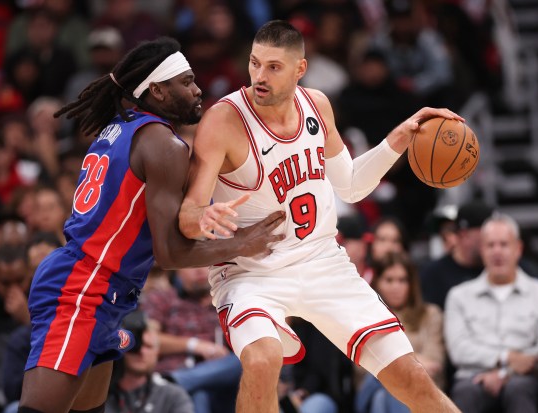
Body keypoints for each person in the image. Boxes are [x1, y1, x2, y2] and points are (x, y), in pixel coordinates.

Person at [178, 20, 461, 413]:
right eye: (254, 63)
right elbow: (188, 214)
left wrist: (398, 139)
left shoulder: (317, 105)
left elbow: (350, 186)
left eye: (274, 67)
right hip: (252, 270)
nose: (259, 76)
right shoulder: (224, 120)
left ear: (300, 69)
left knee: (410, 375)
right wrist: (207, 216)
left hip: (322, 259)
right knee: (261, 361)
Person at [18, 37, 285, 413]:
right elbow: (170, 252)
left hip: (103, 288)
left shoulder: (121, 127)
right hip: (84, 285)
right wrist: (243, 242)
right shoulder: (164, 145)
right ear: (157, 90)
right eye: (187, 82)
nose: (198, 90)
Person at [444, 213, 538, 413]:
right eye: (490, 245)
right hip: (474, 378)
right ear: (482, 250)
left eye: (504, 244)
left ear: (518, 249)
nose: (497, 251)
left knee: (519, 388)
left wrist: (506, 373)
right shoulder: (458, 296)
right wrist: (505, 358)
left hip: (526, 379)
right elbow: (459, 349)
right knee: (466, 391)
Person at [356, 252, 445, 413]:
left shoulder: (430, 314)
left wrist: (387, 360)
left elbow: (434, 362)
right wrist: (414, 361)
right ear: (377, 282)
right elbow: (360, 366)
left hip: (421, 392)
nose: (396, 286)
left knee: (386, 395)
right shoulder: (365, 316)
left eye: (402, 280)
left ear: (412, 284)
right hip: (369, 391)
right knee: (391, 385)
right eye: (389, 280)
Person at [144, 266, 241, 413]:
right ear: (177, 270)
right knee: (199, 392)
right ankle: (180, 381)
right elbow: (149, 338)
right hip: (178, 371)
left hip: (222, 382)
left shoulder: (228, 301)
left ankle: (173, 381)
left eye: (204, 263)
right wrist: (193, 345)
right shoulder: (163, 298)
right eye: (190, 265)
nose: (199, 270)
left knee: (244, 360)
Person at [105, 310, 194, 413]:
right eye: (136, 346)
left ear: (158, 353)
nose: (141, 351)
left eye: (148, 346)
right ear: (122, 348)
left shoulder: (171, 396)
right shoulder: (102, 394)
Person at [419, 200, 493, 310]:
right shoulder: (431, 274)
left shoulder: (504, 269)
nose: (492, 238)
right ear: (464, 235)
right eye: (487, 232)